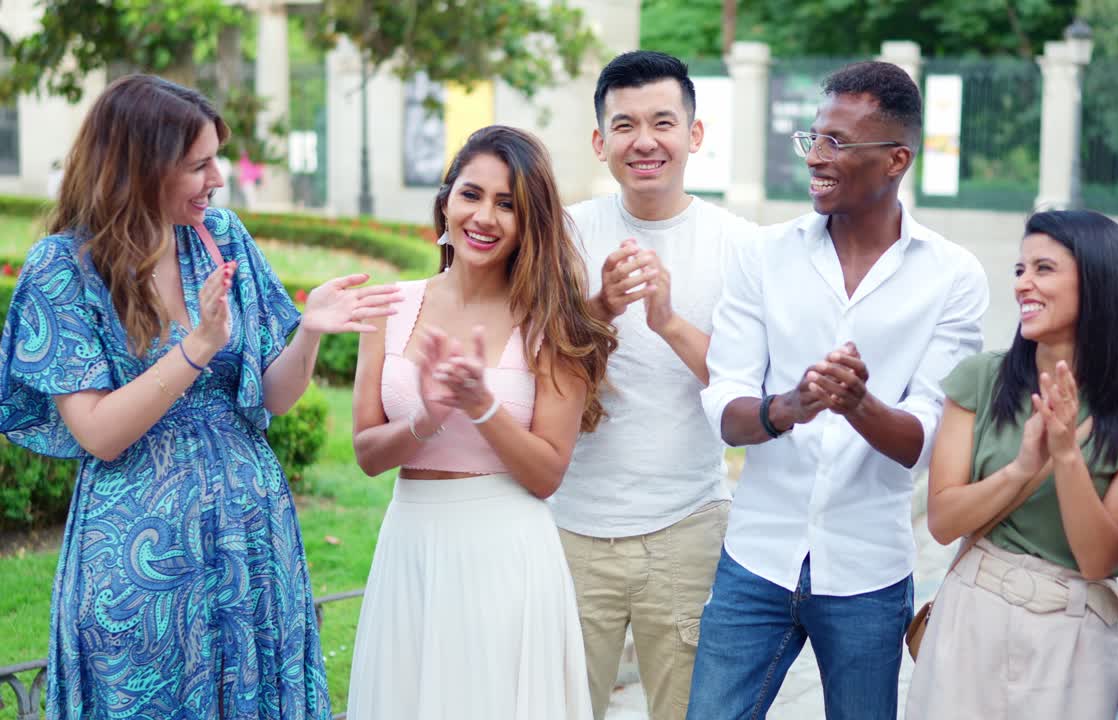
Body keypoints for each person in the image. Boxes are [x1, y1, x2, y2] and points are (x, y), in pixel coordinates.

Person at [0, 74, 401, 719]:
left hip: (252, 548)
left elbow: (272, 395)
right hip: (139, 565)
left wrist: (308, 334)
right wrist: (198, 346)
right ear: (141, 166)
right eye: (199, 164)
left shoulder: (223, 237)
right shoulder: (64, 269)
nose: (218, 177)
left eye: (216, 157)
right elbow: (98, 433)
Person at [687, 61, 989, 720]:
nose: (817, 158)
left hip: (868, 572)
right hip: (755, 561)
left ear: (896, 160)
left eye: (838, 143)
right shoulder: (763, 257)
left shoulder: (953, 277)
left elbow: (925, 438)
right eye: (814, 138)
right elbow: (725, 408)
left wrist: (857, 404)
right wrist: (790, 407)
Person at [345, 125, 616, 719]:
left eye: (508, 204)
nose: (484, 216)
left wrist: (481, 406)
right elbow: (367, 455)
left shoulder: (554, 323)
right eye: (472, 194)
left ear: (531, 223)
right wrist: (427, 417)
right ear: (446, 201)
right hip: (410, 547)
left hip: (506, 557)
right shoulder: (389, 307)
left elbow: (547, 474)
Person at [550, 50, 757, 720]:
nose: (645, 141)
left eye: (663, 122)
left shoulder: (741, 245)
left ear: (695, 135)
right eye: (625, 125)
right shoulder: (566, 235)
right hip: (571, 526)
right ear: (599, 140)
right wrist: (601, 309)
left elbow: (747, 389)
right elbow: (535, 366)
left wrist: (666, 321)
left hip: (687, 527)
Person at [904, 210, 1118, 719]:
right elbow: (943, 521)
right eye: (1021, 269)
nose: (1024, 284)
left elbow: (1098, 559)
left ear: (1101, 283)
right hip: (972, 614)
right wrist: (1023, 468)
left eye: (1044, 269)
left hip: (1075, 634)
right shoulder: (979, 379)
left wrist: (1065, 457)